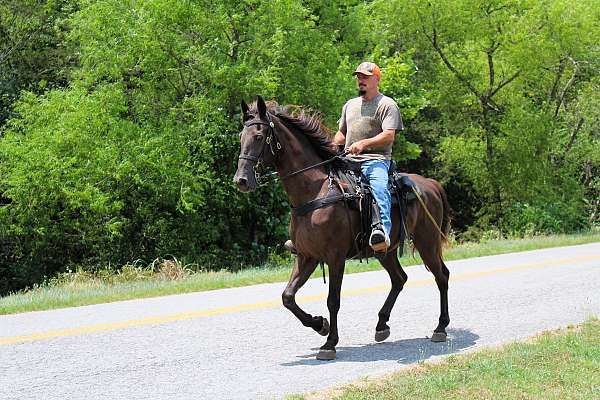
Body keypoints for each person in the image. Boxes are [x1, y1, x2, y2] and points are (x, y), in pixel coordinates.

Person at [284, 61, 403, 253]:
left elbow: (389, 135)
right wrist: (331, 147)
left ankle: (382, 231)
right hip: (348, 160)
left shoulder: (387, 104)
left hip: (376, 160)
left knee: (379, 187)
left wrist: (363, 144)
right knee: (315, 186)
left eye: (365, 77)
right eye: (358, 77)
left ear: (377, 79)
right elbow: (342, 134)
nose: (360, 80)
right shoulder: (350, 105)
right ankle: (302, 236)